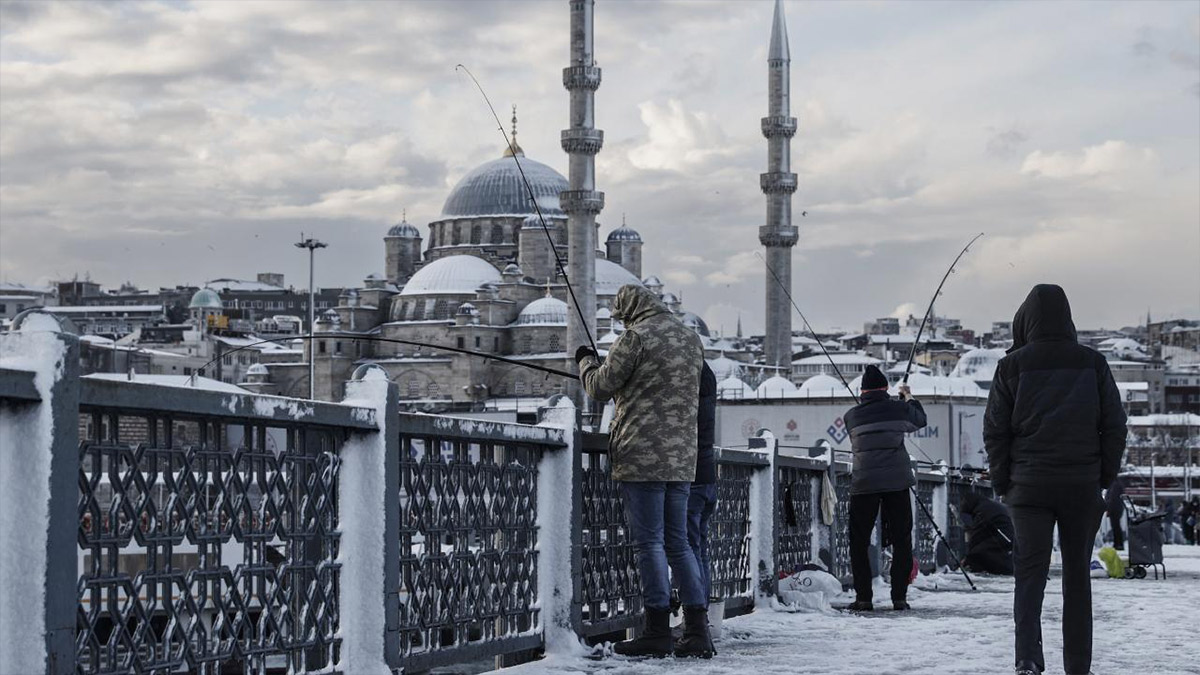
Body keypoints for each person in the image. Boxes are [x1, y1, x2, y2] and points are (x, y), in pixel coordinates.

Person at [984, 284, 1127, 675]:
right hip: (1081, 485)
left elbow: (996, 431)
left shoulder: (1011, 366)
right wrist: (1103, 476)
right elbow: (1114, 425)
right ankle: (1078, 665)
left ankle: (1027, 658)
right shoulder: (1093, 363)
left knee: (1029, 575)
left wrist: (1003, 483)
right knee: (1078, 577)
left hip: (1028, 487)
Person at [576, 283, 712, 659]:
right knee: (679, 543)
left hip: (642, 454)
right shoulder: (690, 339)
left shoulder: (634, 338)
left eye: (621, 317)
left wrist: (586, 360)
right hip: (683, 459)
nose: (621, 322)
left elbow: (601, 388)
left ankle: (656, 629)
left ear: (630, 311)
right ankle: (698, 630)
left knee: (649, 543)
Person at [842, 364, 927, 612]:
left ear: (862, 391)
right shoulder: (898, 409)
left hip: (864, 482)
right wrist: (907, 398)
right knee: (902, 538)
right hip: (896, 481)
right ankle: (899, 597)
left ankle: (863, 598)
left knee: (858, 540)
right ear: (885, 388)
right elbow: (919, 420)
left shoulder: (851, 416)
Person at [960, 491, 1015, 575]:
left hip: (1004, 536)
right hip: (1007, 535)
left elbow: (977, 535)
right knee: (993, 551)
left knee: (978, 551)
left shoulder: (981, 511)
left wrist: (968, 557)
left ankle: (974, 568)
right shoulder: (987, 505)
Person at [1104, 476, 1126, 550]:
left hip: (1114, 509)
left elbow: (1112, 498)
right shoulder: (1117, 484)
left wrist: (1108, 508)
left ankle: (1118, 543)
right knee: (1116, 526)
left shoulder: (1114, 485)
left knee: (1115, 526)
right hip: (1117, 508)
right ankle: (1118, 543)